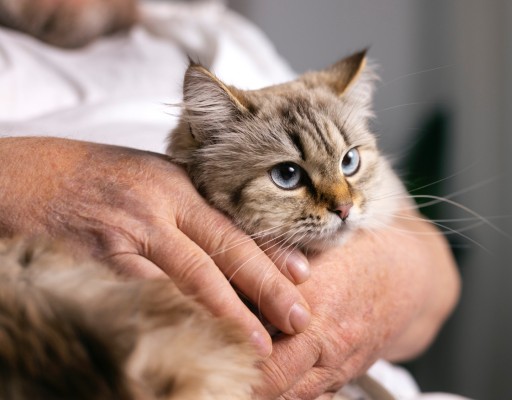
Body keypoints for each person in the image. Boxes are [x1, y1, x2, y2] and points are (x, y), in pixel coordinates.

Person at [0, 1, 461, 398]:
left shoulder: (212, 29)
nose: (341, 202)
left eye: (347, 165)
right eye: (289, 174)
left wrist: (373, 281)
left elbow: (438, 284)